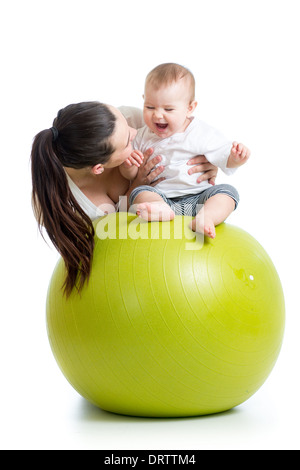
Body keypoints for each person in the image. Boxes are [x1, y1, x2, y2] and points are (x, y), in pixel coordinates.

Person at [31, 102, 217, 296]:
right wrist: (137, 185)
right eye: (128, 141)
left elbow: (190, 140)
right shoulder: (57, 203)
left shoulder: (131, 120)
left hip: (187, 227)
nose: (134, 133)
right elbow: (113, 247)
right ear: (99, 168)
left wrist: (208, 165)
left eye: (123, 122)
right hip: (139, 270)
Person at [120, 63, 251, 239]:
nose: (158, 115)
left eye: (168, 109)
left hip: (199, 198)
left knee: (228, 193)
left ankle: (206, 218)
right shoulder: (142, 135)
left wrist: (236, 158)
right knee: (139, 193)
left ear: (189, 108)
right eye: (150, 107)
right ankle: (161, 212)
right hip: (161, 199)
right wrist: (129, 165)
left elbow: (223, 156)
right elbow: (131, 176)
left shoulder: (201, 132)